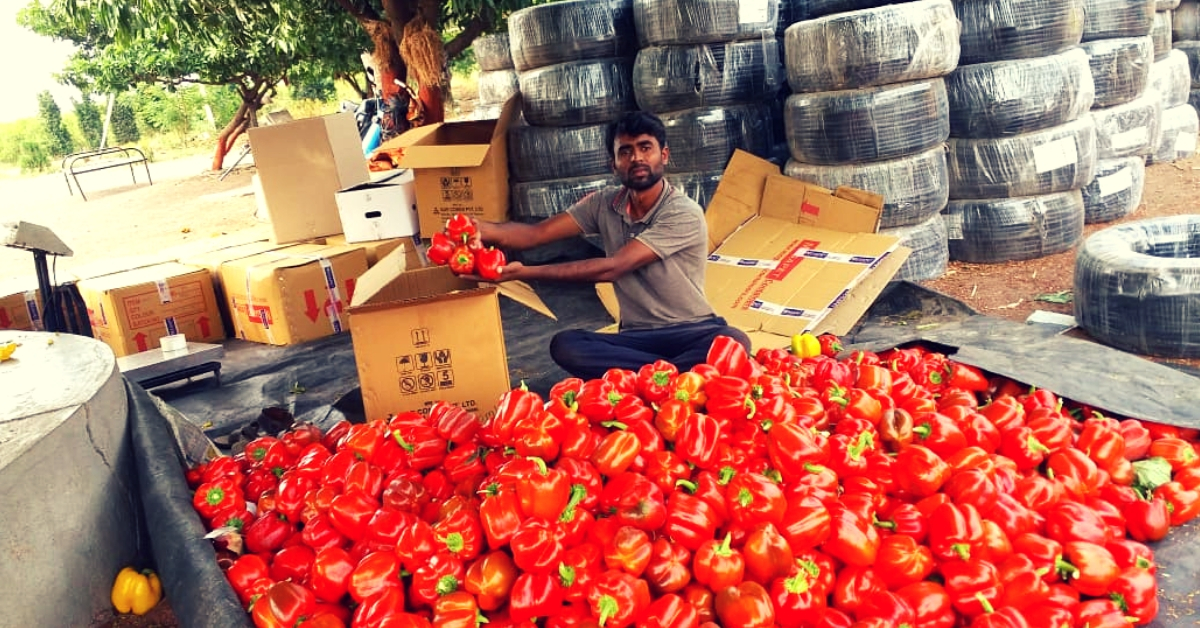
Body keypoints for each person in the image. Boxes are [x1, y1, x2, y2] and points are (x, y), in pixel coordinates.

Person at [473, 110, 752, 380]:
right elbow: (534, 234)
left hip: (693, 330)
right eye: (625, 151)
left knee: (733, 341)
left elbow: (614, 267)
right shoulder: (603, 204)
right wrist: (478, 228)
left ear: (663, 155)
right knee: (567, 345)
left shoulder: (682, 212)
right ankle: (674, 376)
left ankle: (652, 377)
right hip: (635, 337)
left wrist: (525, 273)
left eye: (646, 148)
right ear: (613, 163)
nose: (636, 158)